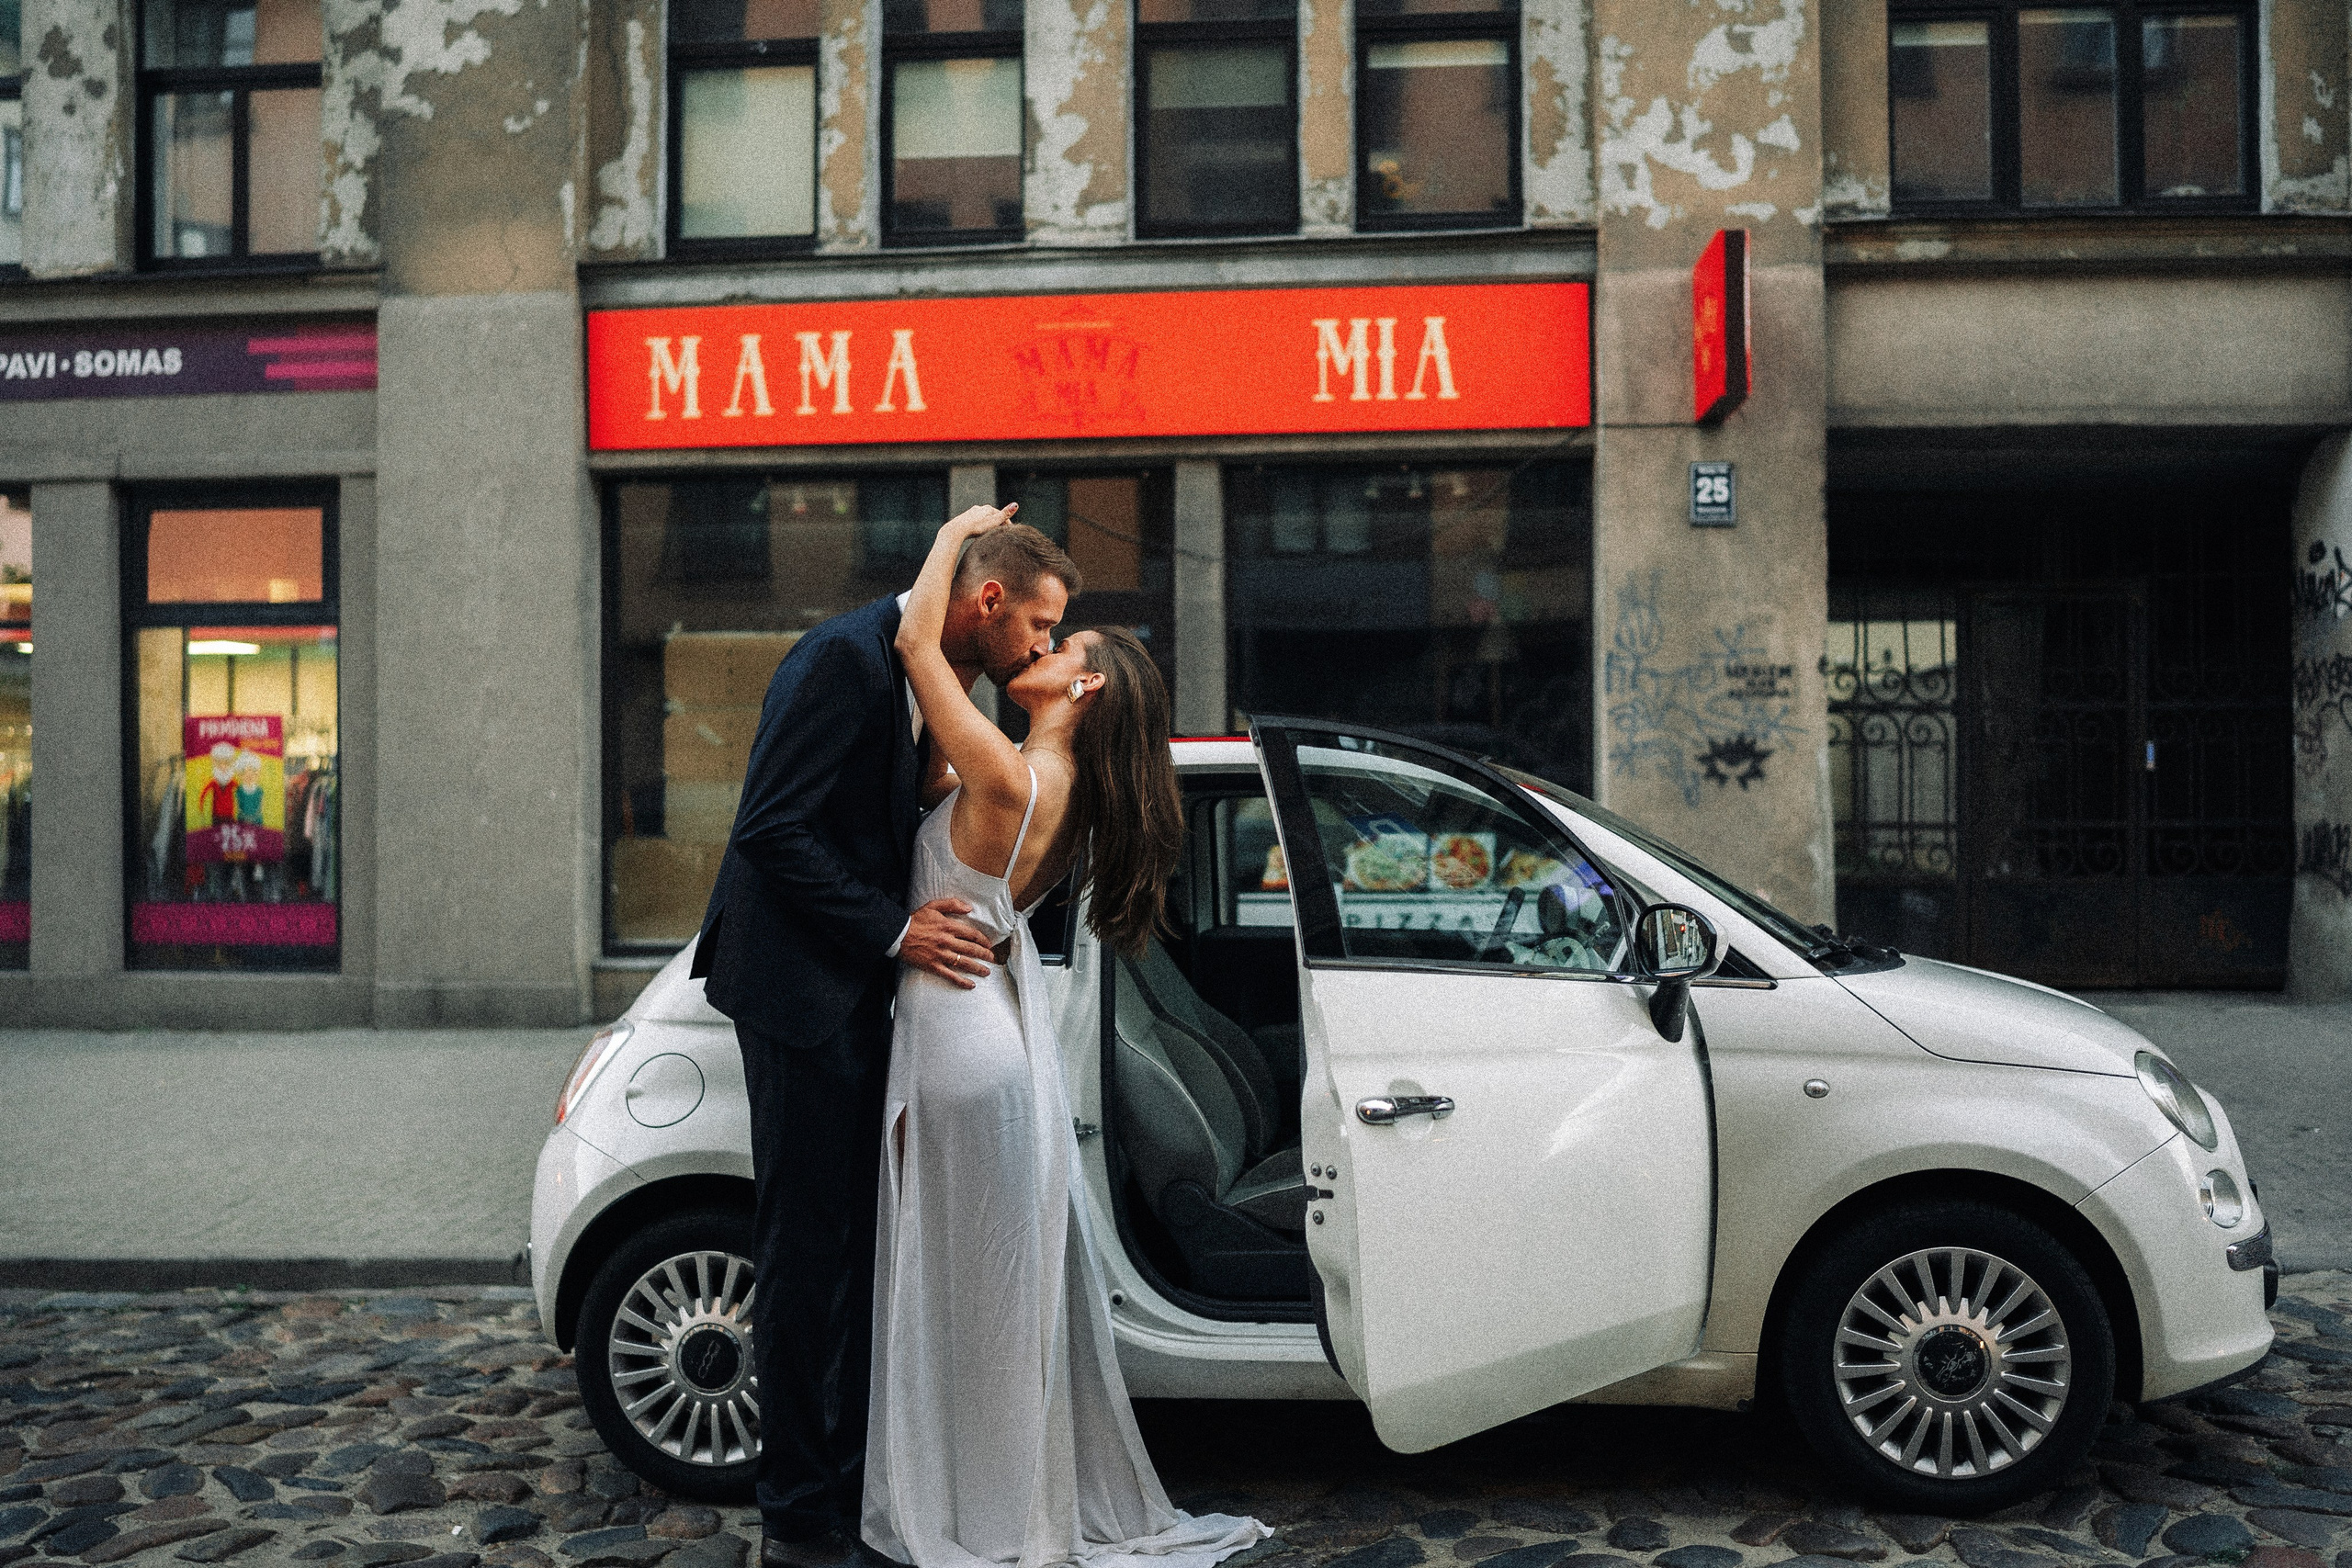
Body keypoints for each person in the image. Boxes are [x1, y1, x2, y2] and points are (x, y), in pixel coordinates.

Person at [864, 505, 1271, 1568]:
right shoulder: (1047, 780)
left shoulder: (1008, 774)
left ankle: (974, 1510)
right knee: (992, 1294)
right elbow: (929, 798)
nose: (1038, 649)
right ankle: (995, 1498)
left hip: (957, 1039)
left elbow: (912, 640)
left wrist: (952, 529)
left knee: (956, 1293)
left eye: (1060, 648)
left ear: (1081, 690)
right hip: (986, 1026)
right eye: (1042, 633)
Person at [690, 527, 1080, 1568]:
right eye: (1038, 624)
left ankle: (854, 1482)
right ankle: (795, 1517)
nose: (1043, 645)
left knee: (855, 1253)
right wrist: (893, 929)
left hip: (863, 994)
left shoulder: (927, 667)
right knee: (805, 1253)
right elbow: (770, 828)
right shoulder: (840, 657)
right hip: (800, 994)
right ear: (989, 600)